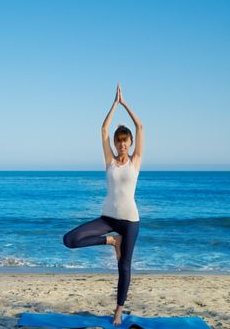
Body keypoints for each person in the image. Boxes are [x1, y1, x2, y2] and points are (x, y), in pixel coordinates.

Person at [63, 83, 144, 325]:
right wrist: (114, 104)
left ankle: (118, 310)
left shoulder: (135, 161)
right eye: (119, 141)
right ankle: (110, 240)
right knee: (70, 240)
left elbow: (140, 126)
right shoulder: (109, 161)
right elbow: (103, 129)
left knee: (124, 266)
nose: (121, 144)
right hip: (108, 218)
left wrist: (125, 104)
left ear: (129, 142)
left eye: (125, 141)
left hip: (130, 220)